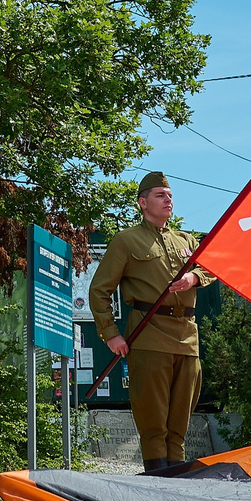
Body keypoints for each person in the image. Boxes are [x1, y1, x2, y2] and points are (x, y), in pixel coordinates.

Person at [90, 172, 218, 475]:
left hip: (187, 338)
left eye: (170, 195)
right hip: (149, 336)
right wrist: (111, 334)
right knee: (153, 422)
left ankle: (177, 479)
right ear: (143, 203)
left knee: (180, 423)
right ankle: (158, 479)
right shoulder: (126, 240)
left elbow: (211, 267)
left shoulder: (186, 240)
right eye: (160, 195)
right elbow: (99, 291)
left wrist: (194, 277)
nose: (168, 200)